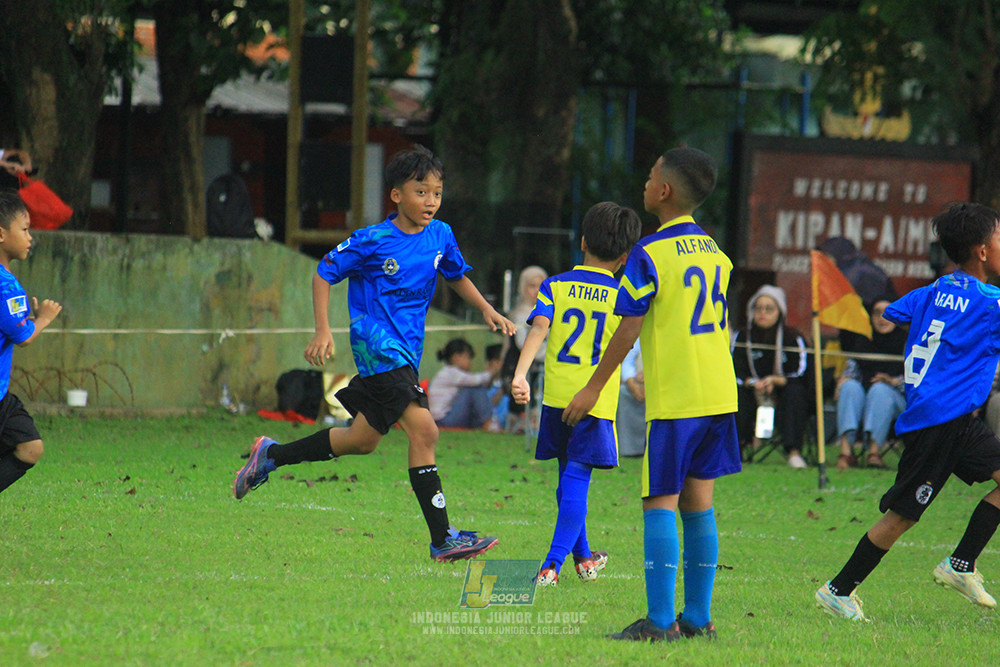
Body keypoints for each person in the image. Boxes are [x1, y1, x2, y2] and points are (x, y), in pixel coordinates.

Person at [233, 145, 515, 563]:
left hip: (406, 352)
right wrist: (324, 330)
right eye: (421, 192)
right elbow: (324, 272)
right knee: (425, 432)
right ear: (397, 195)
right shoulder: (373, 240)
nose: (431, 201)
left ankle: (270, 456)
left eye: (437, 192)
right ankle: (443, 539)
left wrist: (488, 309)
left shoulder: (441, 235)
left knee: (362, 441)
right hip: (379, 348)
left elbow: (455, 275)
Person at [563, 147, 741, 642]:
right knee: (699, 503)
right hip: (719, 392)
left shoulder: (651, 253)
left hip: (678, 398)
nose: (644, 182)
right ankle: (698, 619)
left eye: (648, 175)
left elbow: (627, 329)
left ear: (663, 191)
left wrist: (594, 386)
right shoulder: (717, 253)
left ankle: (661, 622)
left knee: (659, 502)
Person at [815, 202, 1000, 622]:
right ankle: (837, 590)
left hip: (956, 420)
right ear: (983, 251)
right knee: (902, 517)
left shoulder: (930, 292)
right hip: (936, 422)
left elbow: (896, 313)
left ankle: (960, 564)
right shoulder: (990, 304)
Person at [511, 201, 642, 587]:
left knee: (567, 478)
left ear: (582, 241)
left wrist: (520, 375)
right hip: (594, 399)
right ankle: (552, 564)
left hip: (556, 397)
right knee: (577, 479)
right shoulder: (623, 294)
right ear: (623, 257)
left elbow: (538, 330)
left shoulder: (555, 285)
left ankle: (584, 559)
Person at [0, 190, 62, 495]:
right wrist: (45, 318)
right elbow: (23, 337)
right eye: (24, 230)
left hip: (2, 397)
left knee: (30, 446)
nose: (30, 237)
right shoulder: (7, 287)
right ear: (1, 234)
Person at [731, 285, 810, 468]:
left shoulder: (792, 337)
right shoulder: (742, 336)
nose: (762, 313)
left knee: (795, 393)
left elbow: (801, 372)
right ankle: (737, 450)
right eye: (758, 308)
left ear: (779, 312)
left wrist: (776, 380)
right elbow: (734, 369)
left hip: (783, 389)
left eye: (769, 309)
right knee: (736, 393)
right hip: (752, 389)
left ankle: (794, 452)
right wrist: (752, 382)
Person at [834, 299, 908, 470]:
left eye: (888, 312)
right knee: (849, 387)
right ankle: (846, 452)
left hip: (899, 400)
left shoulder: (909, 342)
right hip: (864, 396)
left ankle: (874, 453)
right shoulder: (862, 339)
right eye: (877, 313)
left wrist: (891, 381)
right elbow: (851, 371)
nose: (882, 318)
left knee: (880, 390)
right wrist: (843, 381)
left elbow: (917, 383)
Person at [501, 266, 548, 432]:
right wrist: (551, 353)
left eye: (540, 286)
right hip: (519, 368)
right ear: (523, 287)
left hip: (541, 368)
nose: (536, 291)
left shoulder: (548, 311)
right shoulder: (519, 314)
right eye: (531, 286)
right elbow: (523, 343)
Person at [428, 338, 498, 429]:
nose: (470, 362)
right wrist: (492, 371)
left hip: (443, 418)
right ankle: (489, 425)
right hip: (443, 420)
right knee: (473, 389)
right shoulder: (451, 372)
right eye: (468, 357)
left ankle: (488, 424)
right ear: (457, 357)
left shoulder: (447, 372)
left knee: (475, 389)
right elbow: (475, 380)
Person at [818, 236, 897, 309]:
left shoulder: (863, 276)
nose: (823, 262)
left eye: (827, 257)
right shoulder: (844, 271)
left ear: (840, 257)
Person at [616, 340, 646, 458]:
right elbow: (627, 361)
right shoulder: (638, 336)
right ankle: (628, 448)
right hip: (638, 382)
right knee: (622, 393)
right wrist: (631, 382)